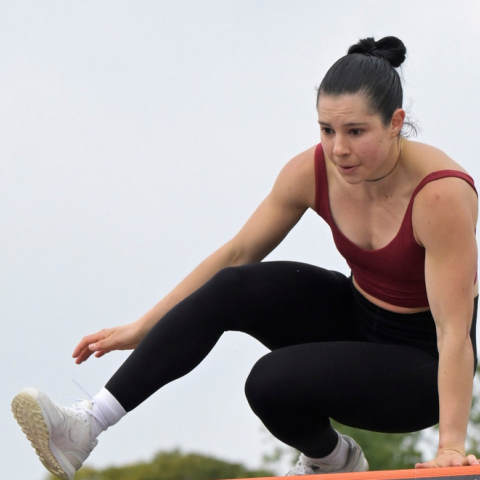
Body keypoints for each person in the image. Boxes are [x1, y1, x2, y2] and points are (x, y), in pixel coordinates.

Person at [12, 35, 480, 480]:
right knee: (237, 282)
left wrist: (451, 447)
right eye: (327, 129)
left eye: (356, 132)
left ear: (396, 122)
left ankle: (328, 460)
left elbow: (454, 332)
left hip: (421, 368)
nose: (338, 149)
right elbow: (238, 252)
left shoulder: (440, 195)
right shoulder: (311, 170)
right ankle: (87, 426)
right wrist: (143, 326)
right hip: (357, 319)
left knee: (268, 383)